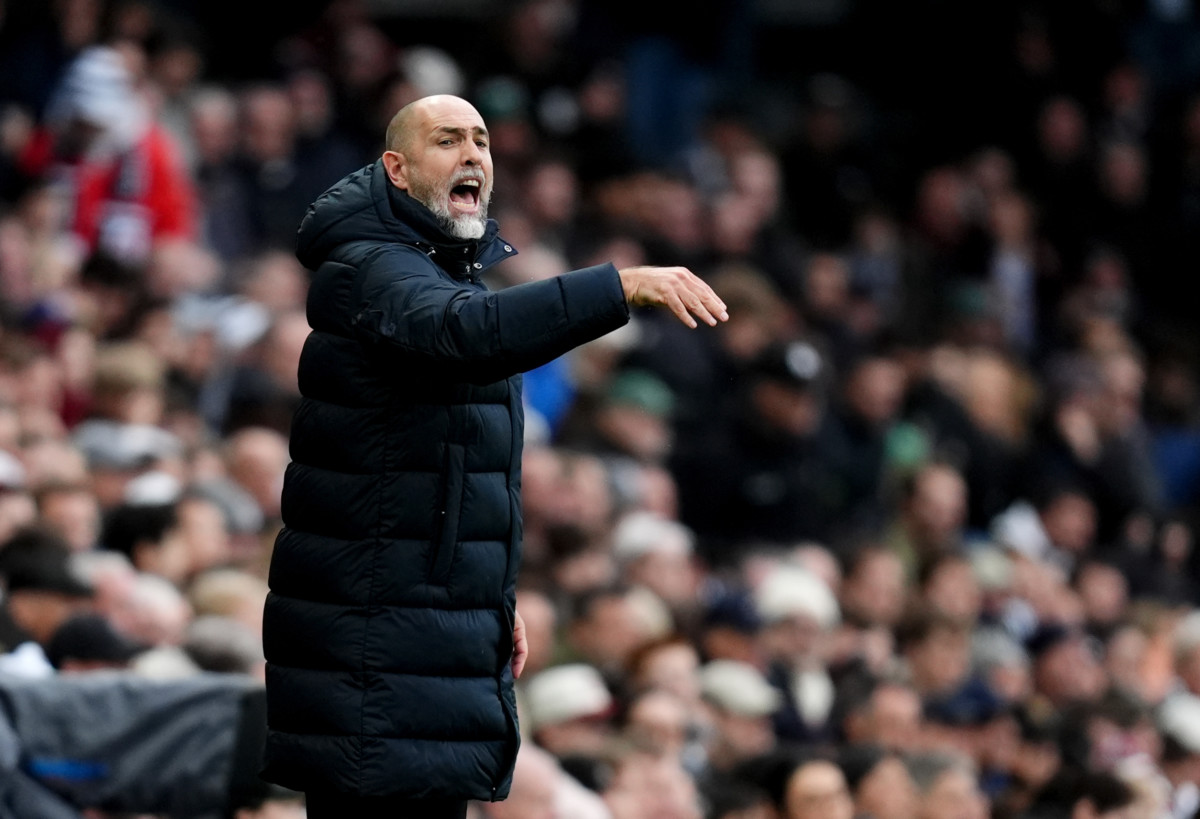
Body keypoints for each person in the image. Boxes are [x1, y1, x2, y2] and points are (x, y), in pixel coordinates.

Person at [258, 93, 727, 819]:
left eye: (481, 140)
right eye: (447, 140)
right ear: (398, 169)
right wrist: (619, 285)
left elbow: (440, 476)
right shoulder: (368, 268)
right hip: (377, 649)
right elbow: (467, 334)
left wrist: (486, 600)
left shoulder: (440, 270)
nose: (473, 153)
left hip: (425, 628)